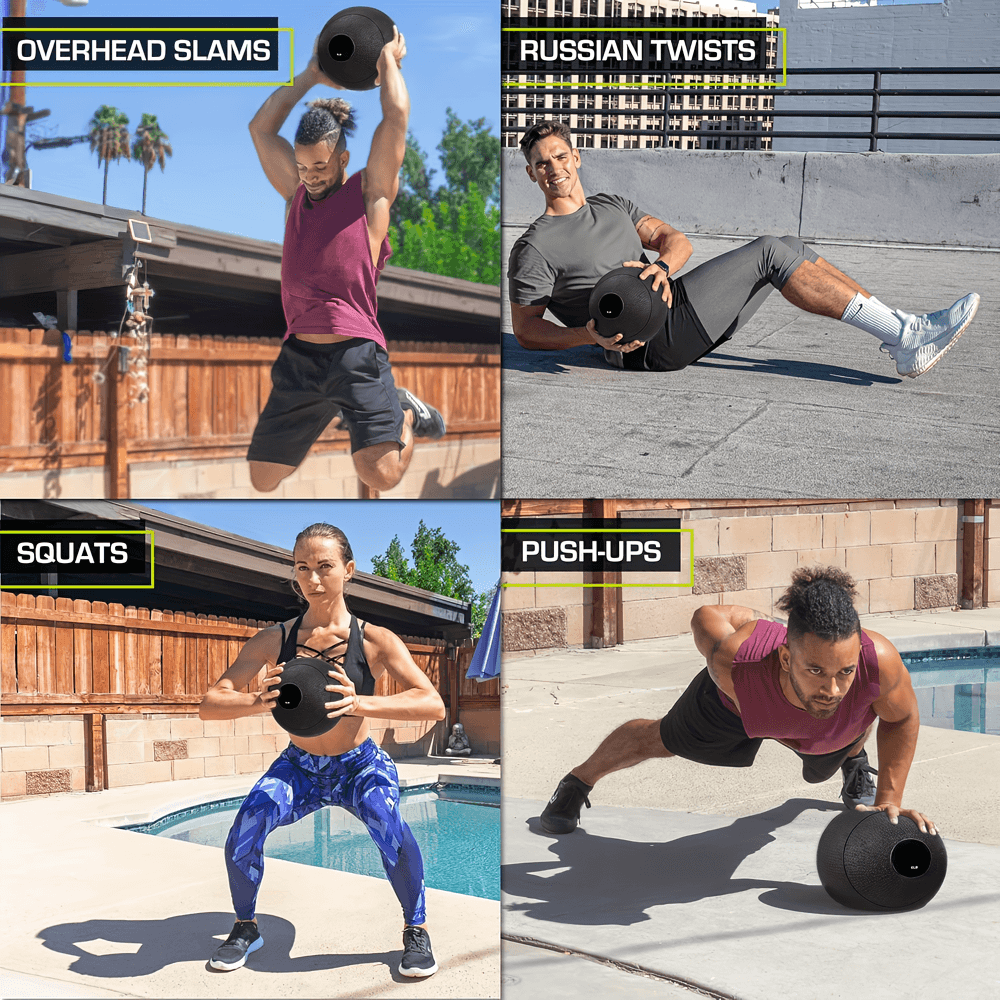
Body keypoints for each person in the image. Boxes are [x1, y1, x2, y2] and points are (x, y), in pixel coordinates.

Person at [509, 120, 979, 377]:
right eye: (541, 163)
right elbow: (527, 330)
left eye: (560, 156)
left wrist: (664, 268)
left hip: (678, 307)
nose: (554, 168)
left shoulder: (612, 203)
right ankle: (905, 334)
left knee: (789, 245)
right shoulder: (534, 246)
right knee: (771, 251)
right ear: (531, 174)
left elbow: (676, 241)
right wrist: (588, 338)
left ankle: (901, 333)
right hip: (647, 346)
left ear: (576, 157)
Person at [199, 522, 446, 977]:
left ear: (349, 570)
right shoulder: (275, 638)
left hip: (359, 765)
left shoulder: (375, 639)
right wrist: (256, 700)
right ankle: (246, 927)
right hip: (300, 767)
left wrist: (360, 701)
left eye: (324, 567)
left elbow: (432, 703)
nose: (312, 579)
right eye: (302, 568)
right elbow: (210, 703)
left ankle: (416, 929)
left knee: (390, 826)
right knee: (243, 833)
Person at [541, 566, 937, 839]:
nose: (832, 688)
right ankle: (576, 783)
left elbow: (901, 719)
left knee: (846, 728)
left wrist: (889, 801)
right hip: (739, 707)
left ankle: (854, 762)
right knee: (658, 738)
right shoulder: (735, 662)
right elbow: (704, 615)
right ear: (785, 657)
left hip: (822, 730)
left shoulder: (878, 664)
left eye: (844, 671)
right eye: (815, 670)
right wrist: (755, 620)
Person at [246, 28, 445, 494]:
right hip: (300, 357)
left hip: (355, 354)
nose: (310, 176)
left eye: (319, 167)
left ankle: (407, 413)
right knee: (262, 480)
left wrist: (388, 62)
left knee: (380, 475)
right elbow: (260, 129)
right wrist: (313, 73)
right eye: (302, 166)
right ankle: (330, 408)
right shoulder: (296, 197)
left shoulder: (368, 196)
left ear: (342, 160)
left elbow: (396, 117)